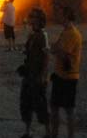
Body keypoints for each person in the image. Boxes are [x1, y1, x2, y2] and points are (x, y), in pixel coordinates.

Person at [49, 7, 82, 138]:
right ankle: (54, 134)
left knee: (69, 110)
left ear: (67, 17)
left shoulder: (72, 34)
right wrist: (55, 49)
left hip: (68, 76)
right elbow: (57, 47)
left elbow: (63, 53)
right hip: (59, 74)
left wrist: (55, 50)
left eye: (61, 15)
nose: (58, 17)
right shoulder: (65, 32)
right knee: (54, 107)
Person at [19, 7, 51, 138]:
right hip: (29, 73)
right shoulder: (32, 35)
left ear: (39, 20)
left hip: (37, 75)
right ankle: (27, 131)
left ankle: (48, 132)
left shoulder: (42, 35)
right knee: (26, 102)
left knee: (40, 103)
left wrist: (43, 75)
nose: (30, 19)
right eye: (30, 16)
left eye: (32, 17)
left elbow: (46, 56)